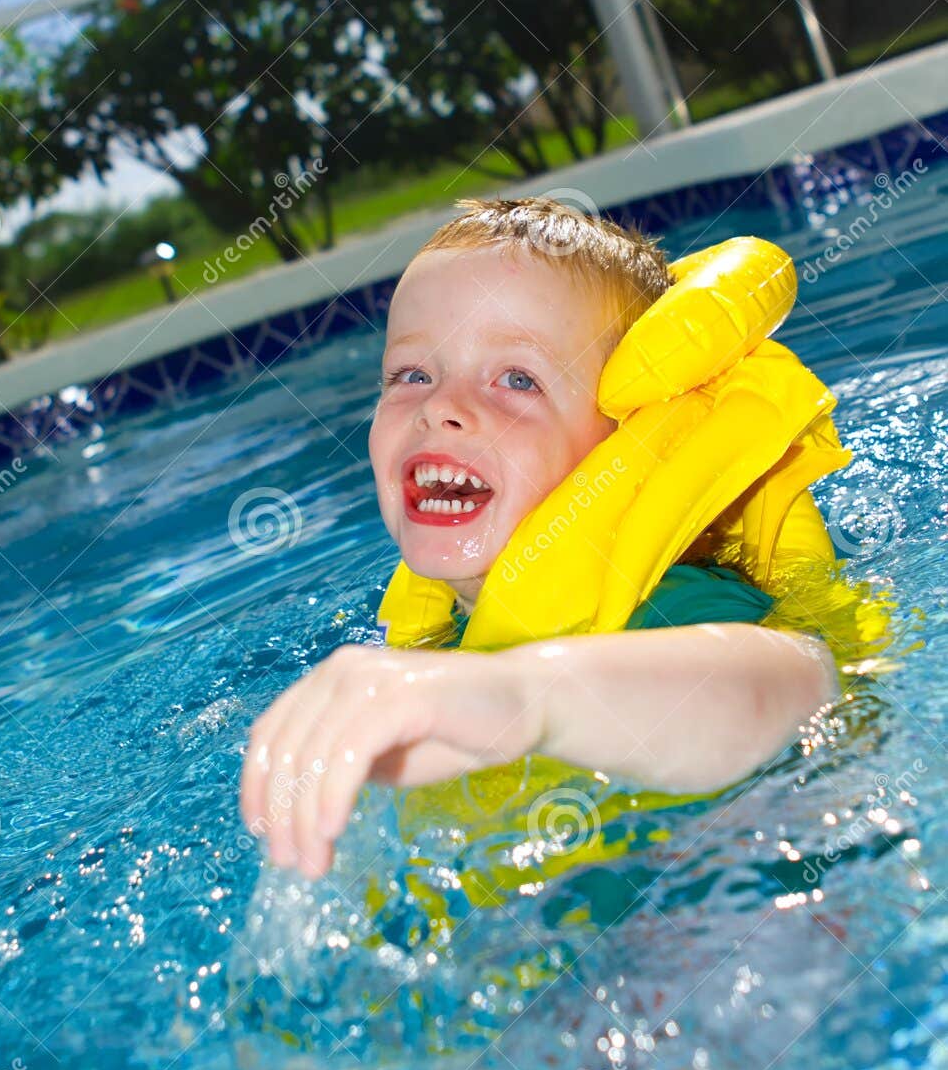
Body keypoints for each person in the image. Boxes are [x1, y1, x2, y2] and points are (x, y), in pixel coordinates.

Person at [240, 198, 839, 880]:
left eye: (517, 379)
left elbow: (795, 685)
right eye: (413, 374)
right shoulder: (436, 644)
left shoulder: (674, 604)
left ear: (624, 444)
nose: (440, 408)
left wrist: (519, 697)